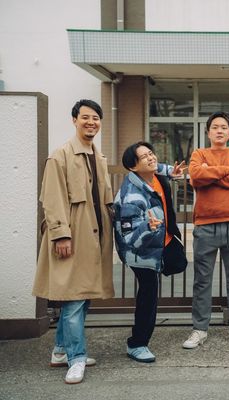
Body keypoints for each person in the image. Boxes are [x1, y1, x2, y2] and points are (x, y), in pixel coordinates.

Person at [33, 99, 114, 384]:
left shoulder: (98, 156)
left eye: (96, 118)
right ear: (74, 120)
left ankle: (59, 350)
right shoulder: (61, 156)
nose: (91, 122)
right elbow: (52, 199)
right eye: (85, 117)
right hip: (73, 236)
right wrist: (61, 234)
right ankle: (76, 358)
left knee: (81, 296)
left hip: (94, 237)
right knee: (74, 299)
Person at [183, 112, 229, 349]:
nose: (219, 131)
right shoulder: (199, 154)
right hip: (205, 224)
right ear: (208, 132)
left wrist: (212, 172)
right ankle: (199, 329)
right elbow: (196, 175)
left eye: (224, 127)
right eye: (215, 127)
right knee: (202, 280)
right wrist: (228, 170)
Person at [113, 142, 185, 363]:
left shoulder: (154, 175)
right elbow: (129, 239)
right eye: (144, 157)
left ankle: (138, 341)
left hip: (161, 241)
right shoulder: (130, 198)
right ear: (133, 167)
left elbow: (159, 167)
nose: (151, 158)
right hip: (141, 253)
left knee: (177, 263)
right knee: (148, 293)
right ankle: (137, 344)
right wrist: (147, 227)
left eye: (151, 153)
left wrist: (171, 171)